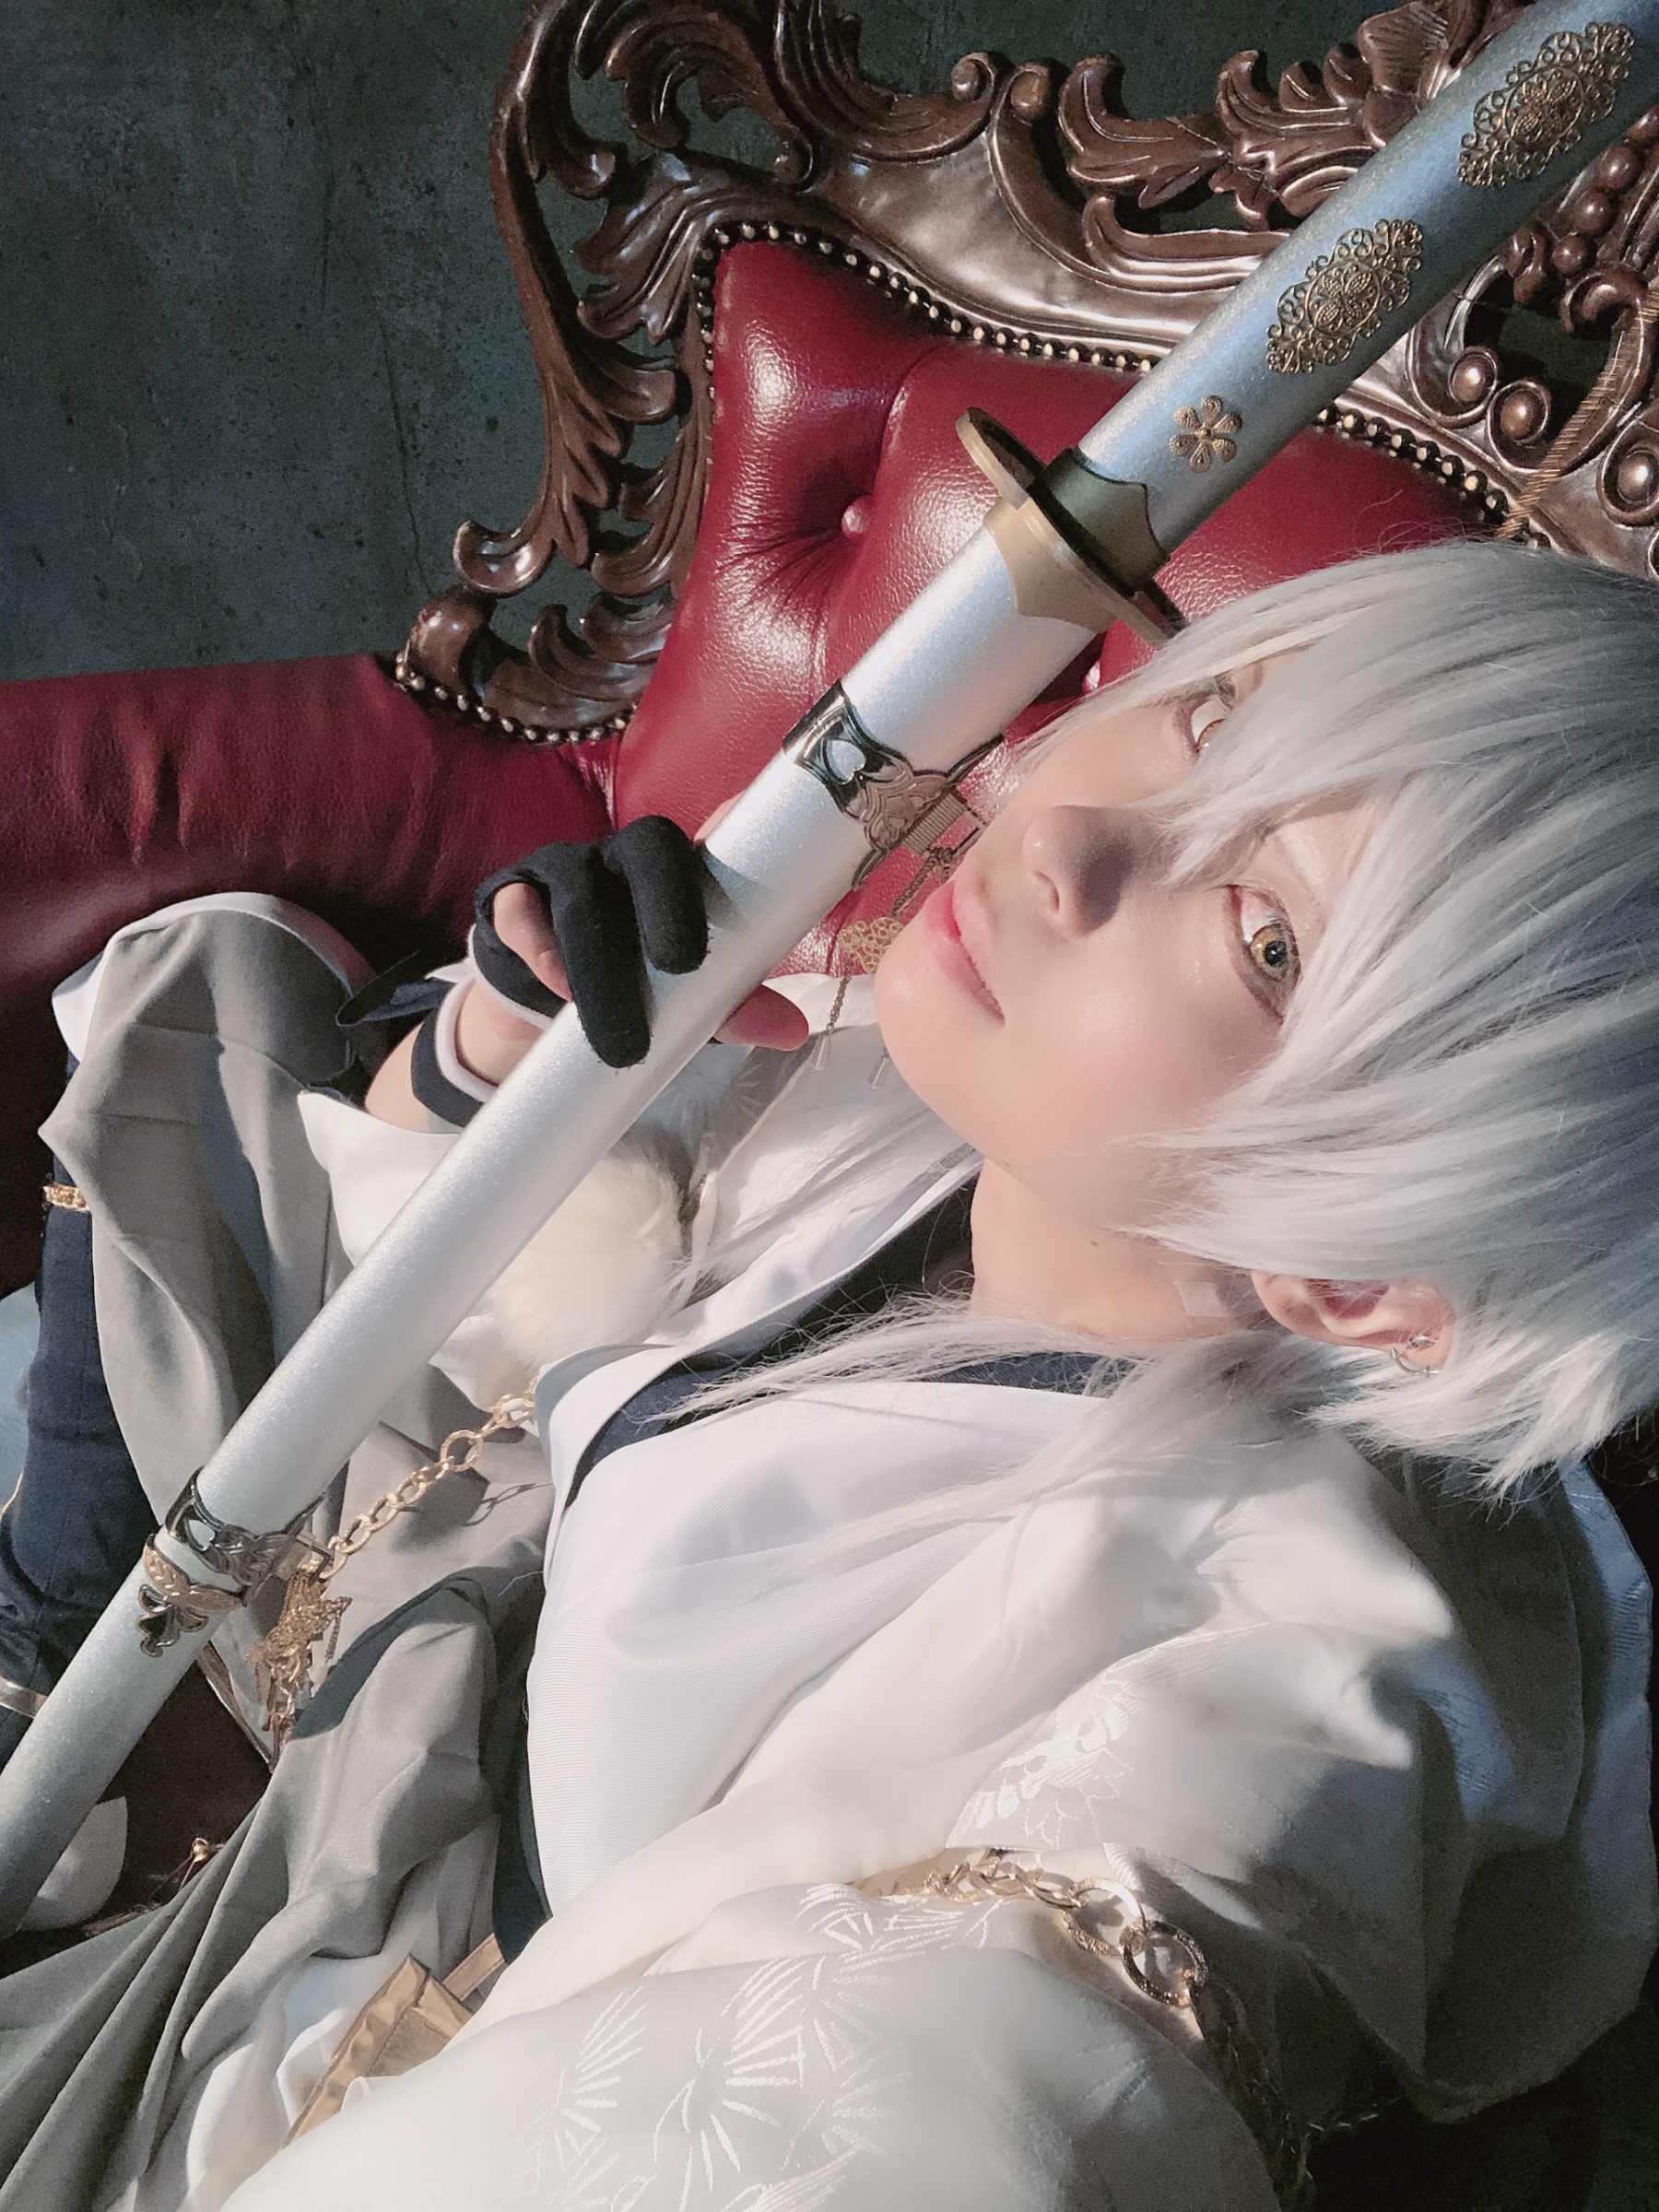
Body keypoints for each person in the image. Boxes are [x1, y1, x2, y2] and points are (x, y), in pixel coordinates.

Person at [0, 539, 1654, 2211]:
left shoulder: (1287, 1657)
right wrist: (519, 1039)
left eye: (1270, 942)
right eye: (1214, 716)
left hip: (403, 1994)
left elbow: (1013, 2072)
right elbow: (486, 1315)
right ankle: (43, 1616)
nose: (1067, 842)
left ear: (1363, 1274)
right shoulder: (925, 1100)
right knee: (205, 987)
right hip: (420, 1593)